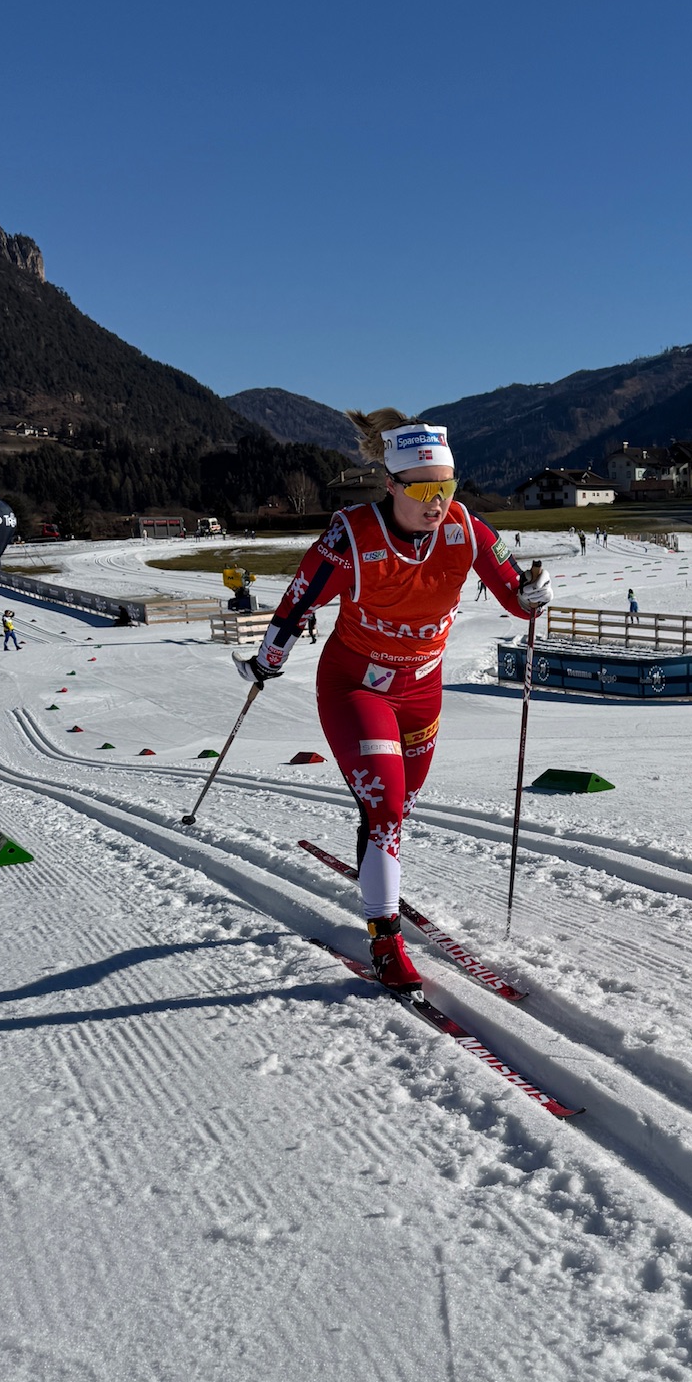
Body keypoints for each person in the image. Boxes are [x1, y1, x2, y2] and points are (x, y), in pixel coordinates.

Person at [237, 409, 549, 997]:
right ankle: (385, 939)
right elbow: (297, 603)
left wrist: (535, 594)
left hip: (422, 691)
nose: (437, 502)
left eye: (446, 487)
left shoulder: (466, 528)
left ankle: (373, 858)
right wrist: (267, 661)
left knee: (396, 808)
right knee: (385, 808)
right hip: (356, 686)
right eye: (423, 490)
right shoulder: (350, 537)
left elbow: (517, 598)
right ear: (391, 484)